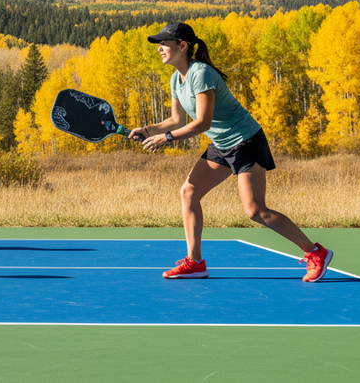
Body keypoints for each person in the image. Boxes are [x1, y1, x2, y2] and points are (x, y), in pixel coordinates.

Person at [128, 22, 333, 282]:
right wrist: (147, 130)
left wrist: (166, 138)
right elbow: (176, 121)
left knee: (255, 210)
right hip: (222, 144)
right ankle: (195, 262)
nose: (159, 48)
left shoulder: (200, 73)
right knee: (189, 192)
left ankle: (316, 252)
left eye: (164, 43)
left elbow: (202, 122)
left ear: (182, 46)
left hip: (246, 140)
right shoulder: (175, 79)